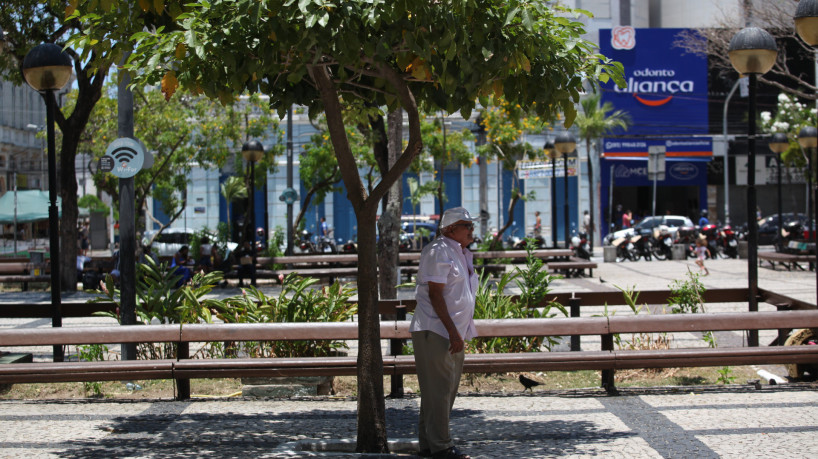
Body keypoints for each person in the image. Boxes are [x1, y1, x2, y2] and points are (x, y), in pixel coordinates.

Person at [410, 206, 478, 459]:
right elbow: (435, 294)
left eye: (472, 225)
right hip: (437, 330)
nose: (472, 230)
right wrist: (452, 332)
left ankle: (429, 445)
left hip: (451, 331)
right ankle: (441, 447)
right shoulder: (438, 251)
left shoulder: (459, 252)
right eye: (467, 225)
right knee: (439, 391)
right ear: (450, 229)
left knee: (440, 392)